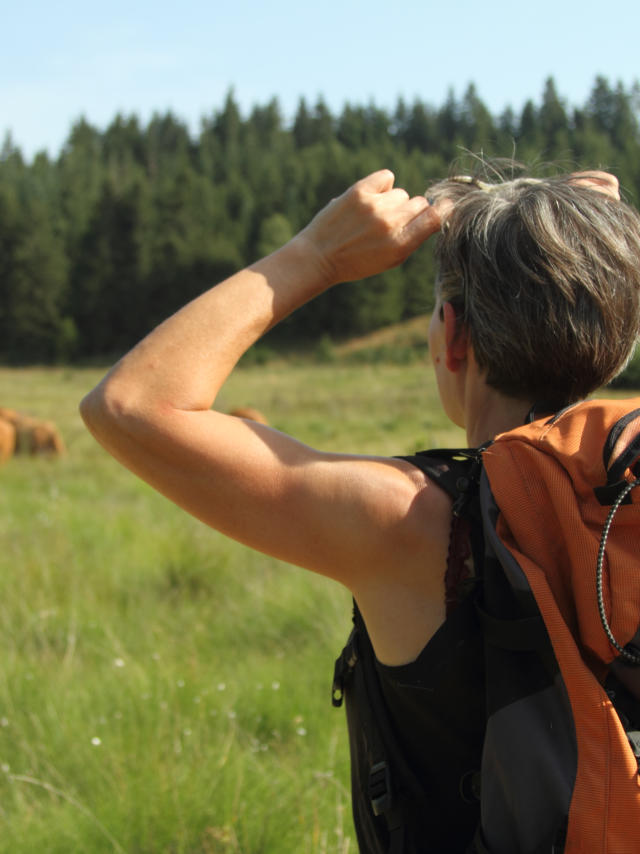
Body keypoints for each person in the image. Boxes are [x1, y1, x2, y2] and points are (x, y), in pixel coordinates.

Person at [80, 164, 640, 853]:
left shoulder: (415, 524)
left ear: (454, 338)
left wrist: (314, 255)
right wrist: (601, 257)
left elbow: (129, 405)